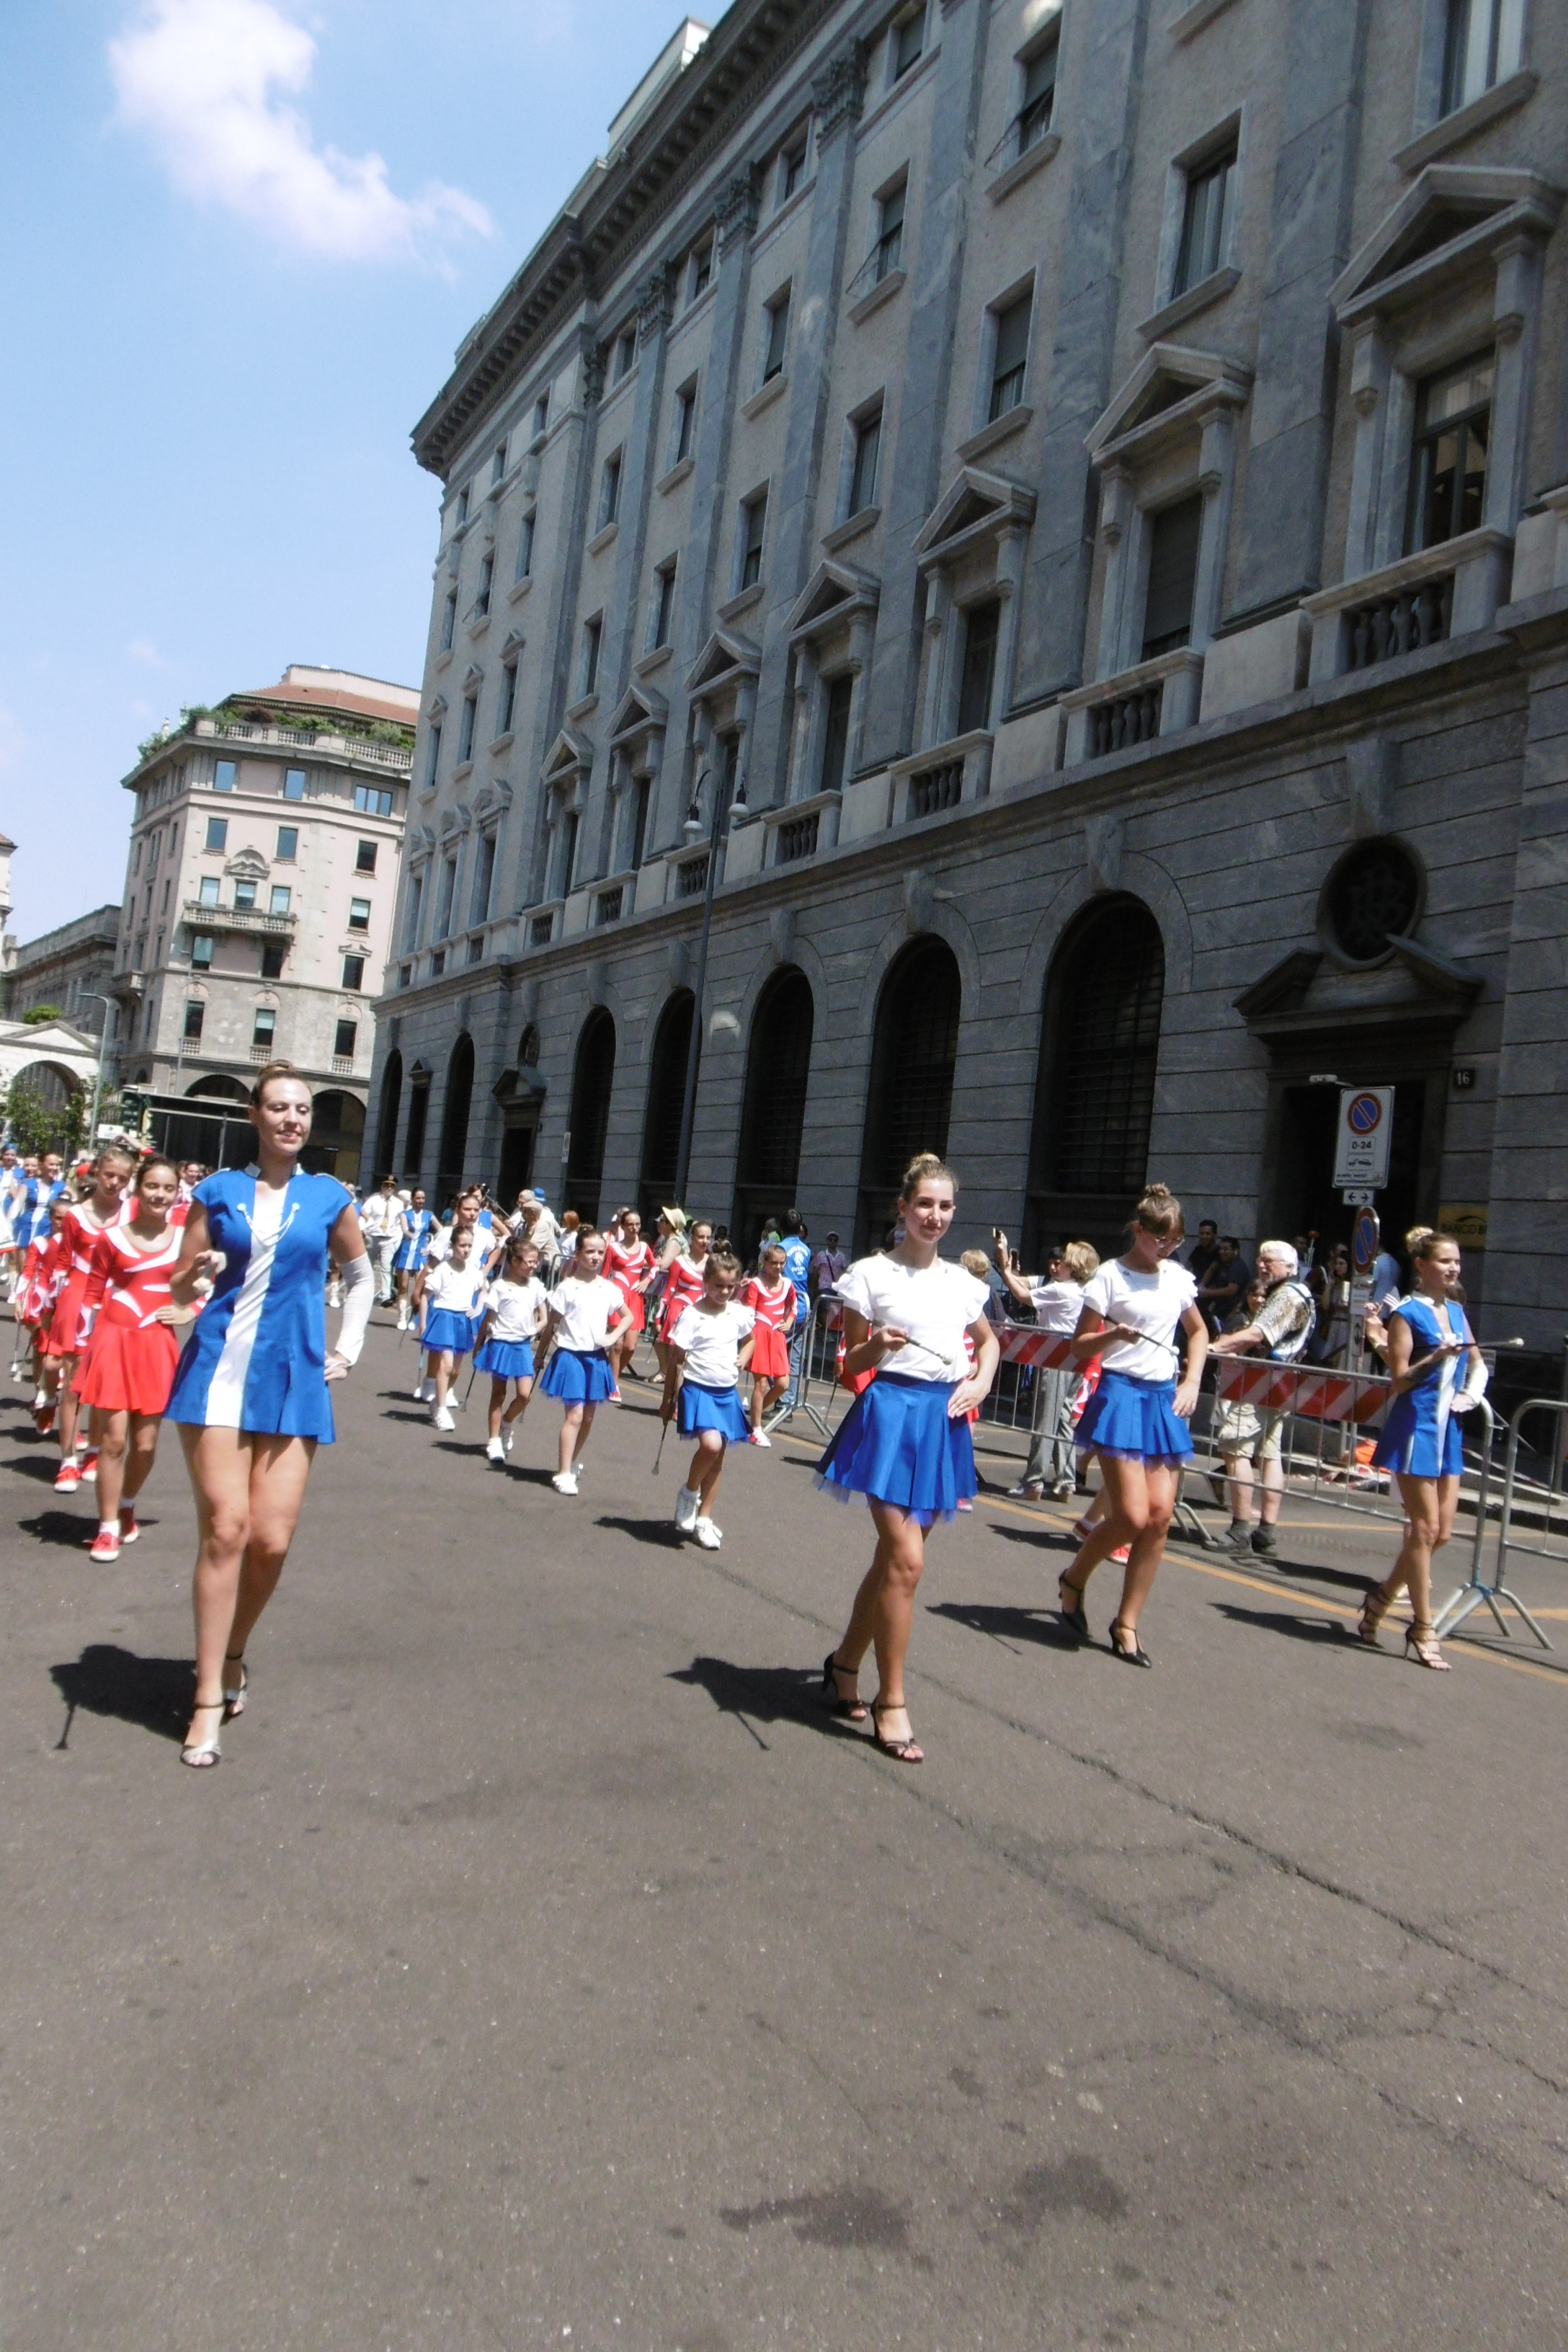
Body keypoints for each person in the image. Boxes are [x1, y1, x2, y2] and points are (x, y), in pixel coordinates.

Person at [164, 1062, 373, 1768]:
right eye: (278, 1107)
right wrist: (190, 1284)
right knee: (227, 1528)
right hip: (219, 1370)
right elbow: (183, 1273)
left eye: (303, 1109)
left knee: (271, 1541)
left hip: (294, 1376)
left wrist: (349, 1345)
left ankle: (233, 1651)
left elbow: (360, 1272)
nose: (292, 1119)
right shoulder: (217, 1191)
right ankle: (204, 1700)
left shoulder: (328, 1196)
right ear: (253, 1116)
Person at [816, 1153, 999, 1764]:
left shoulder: (963, 1283)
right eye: (925, 1204)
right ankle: (892, 1700)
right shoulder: (869, 1275)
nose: (936, 1216)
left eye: (946, 1206)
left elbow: (990, 1343)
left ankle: (844, 1664)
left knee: (893, 1564)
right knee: (908, 1561)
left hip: (943, 1422)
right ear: (903, 1208)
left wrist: (981, 1383)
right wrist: (875, 1345)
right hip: (890, 1418)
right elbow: (849, 1367)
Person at [1057, 1183, 1208, 1667]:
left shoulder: (1178, 1279)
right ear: (1138, 1231)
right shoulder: (1109, 1277)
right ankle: (1075, 1578)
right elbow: (1079, 1345)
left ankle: (1127, 1622)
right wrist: (1111, 1336)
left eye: (1174, 1242)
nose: (1166, 1248)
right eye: (1159, 1239)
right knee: (1130, 1516)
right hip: (1121, 1393)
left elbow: (1200, 1332)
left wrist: (1192, 1382)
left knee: (1160, 1516)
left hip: (1163, 1398)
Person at [1356, 1228, 1486, 1670]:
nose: (1453, 1268)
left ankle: (1380, 1599)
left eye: (1457, 1262)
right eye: (1445, 1261)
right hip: (1415, 1427)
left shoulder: (1455, 1310)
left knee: (1442, 1533)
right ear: (1422, 1265)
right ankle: (1422, 1628)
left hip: (1447, 1426)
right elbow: (1399, 1379)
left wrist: (1470, 1395)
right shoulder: (1406, 1314)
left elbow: (1478, 1363)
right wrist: (1434, 1359)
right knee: (1423, 1528)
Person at [71, 1155, 189, 1562]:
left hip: (157, 1345)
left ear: (177, 1193)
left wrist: (190, 1311)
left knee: (145, 1442)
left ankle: (127, 1504)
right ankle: (106, 1528)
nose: (159, 1194)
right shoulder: (113, 1238)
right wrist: (82, 1343)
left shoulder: (185, 1239)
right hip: (113, 1343)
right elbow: (91, 1291)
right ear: (138, 1190)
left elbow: (206, 1286)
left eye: (168, 1188)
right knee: (114, 1440)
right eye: (152, 1186)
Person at [1208, 1239, 1316, 1556]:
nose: (1261, 1265)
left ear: (1289, 1266)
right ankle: (1265, 1533)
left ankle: (1241, 1528)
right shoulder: (1297, 1292)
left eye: (1269, 1261)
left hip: (1260, 1382)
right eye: (1259, 1260)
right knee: (1269, 1455)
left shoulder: (1286, 1295)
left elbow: (1258, 1335)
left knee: (1235, 1447)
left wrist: (1212, 1348)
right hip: (1279, 1383)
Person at [43, 1145, 138, 1492]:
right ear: (97, 1172)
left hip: (116, 1301)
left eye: (122, 1178)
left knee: (104, 1386)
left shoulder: (131, 1213)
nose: (114, 1183)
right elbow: (64, 1263)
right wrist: (51, 1310)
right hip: (78, 1300)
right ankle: (68, 1460)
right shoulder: (76, 1216)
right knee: (72, 1385)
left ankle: (95, 1452)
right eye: (109, 1175)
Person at [992, 1234, 1101, 1500]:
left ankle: (1034, 1481)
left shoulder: (1061, 1289)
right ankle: (1066, 1480)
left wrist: (1005, 1270)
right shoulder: (1082, 1290)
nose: (1057, 1264)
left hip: (1055, 1360)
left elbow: (1022, 1295)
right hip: (1075, 1360)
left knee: (1045, 1420)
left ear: (1072, 1266)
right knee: (1064, 1421)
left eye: (1063, 1260)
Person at [663, 1247, 757, 1548]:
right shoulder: (692, 1315)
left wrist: (744, 1356)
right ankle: (689, 1492)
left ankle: (704, 1520)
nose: (725, 1292)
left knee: (717, 1461)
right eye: (718, 1285)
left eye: (731, 1286)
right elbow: (676, 1359)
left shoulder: (738, 1313)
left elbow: (751, 1339)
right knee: (711, 1445)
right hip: (698, 1388)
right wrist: (668, 1399)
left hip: (725, 1391)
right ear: (706, 1281)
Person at [538, 1229, 631, 1495]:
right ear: (578, 1253)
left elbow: (628, 1317)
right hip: (570, 1356)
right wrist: (540, 1354)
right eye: (590, 1252)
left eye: (601, 1252)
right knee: (575, 1415)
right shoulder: (567, 1287)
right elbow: (552, 1325)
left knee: (588, 1417)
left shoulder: (608, 1288)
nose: (596, 1257)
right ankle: (564, 1472)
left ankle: (572, 1460)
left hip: (596, 1358)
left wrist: (613, 1335)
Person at [474, 1235, 548, 1462]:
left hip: (522, 1345)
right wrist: (478, 1346)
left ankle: (507, 1421)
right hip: (500, 1345)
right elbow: (488, 1320)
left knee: (525, 1395)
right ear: (514, 1262)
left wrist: (533, 1329)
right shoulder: (500, 1287)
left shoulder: (535, 1286)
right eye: (530, 1261)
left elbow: (544, 1318)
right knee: (499, 1393)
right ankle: (494, 1440)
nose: (534, 1266)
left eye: (537, 1262)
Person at [411, 1224, 486, 1432]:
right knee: (446, 1364)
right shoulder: (444, 1268)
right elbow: (426, 1296)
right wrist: (424, 1323)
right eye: (462, 1245)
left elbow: (483, 1290)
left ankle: (438, 1401)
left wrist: (478, 1309)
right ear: (453, 1245)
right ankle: (442, 1410)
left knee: (455, 1369)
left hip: (462, 1320)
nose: (466, 1250)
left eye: (470, 1246)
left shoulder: (473, 1271)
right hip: (444, 1318)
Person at [740, 1242, 795, 1443]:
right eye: (774, 1263)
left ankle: (755, 1411)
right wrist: (748, 1337)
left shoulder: (788, 1284)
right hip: (759, 1335)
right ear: (765, 1263)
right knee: (761, 1384)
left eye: (782, 1263)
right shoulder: (756, 1284)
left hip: (777, 1337)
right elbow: (749, 1311)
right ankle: (756, 1429)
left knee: (783, 1384)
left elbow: (794, 1306)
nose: (778, 1267)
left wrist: (788, 1322)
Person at [603, 1208, 656, 1387]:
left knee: (630, 1347)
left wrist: (646, 1281)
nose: (634, 1228)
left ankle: (610, 1374)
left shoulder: (645, 1248)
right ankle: (613, 1384)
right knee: (617, 1344)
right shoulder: (613, 1248)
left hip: (635, 1298)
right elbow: (603, 1276)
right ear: (623, 1227)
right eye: (630, 1225)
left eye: (637, 1224)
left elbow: (654, 1267)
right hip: (617, 1297)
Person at [777, 1210, 811, 1409]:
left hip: (785, 1306)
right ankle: (788, 1401)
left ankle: (781, 1398)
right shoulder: (806, 1250)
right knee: (795, 1357)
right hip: (803, 1305)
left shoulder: (779, 1249)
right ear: (800, 1228)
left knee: (776, 1354)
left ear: (781, 1228)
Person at [357, 1172, 403, 1305]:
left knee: (386, 1268)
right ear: (382, 1187)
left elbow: (400, 1221)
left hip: (388, 1238)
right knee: (368, 1266)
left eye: (392, 1186)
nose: (389, 1188)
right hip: (373, 1237)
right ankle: (364, 1292)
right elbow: (363, 1211)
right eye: (387, 1185)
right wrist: (368, 1222)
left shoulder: (398, 1203)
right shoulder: (374, 1200)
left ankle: (385, 1295)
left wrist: (397, 1238)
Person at [393, 1188, 435, 1329]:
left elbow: (441, 1230)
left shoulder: (429, 1215)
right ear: (412, 1199)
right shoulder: (405, 1214)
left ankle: (413, 1318)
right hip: (405, 1253)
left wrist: (431, 1247)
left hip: (420, 1255)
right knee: (403, 1286)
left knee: (420, 1288)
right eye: (418, 1198)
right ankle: (402, 1318)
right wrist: (413, 1237)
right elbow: (405, 1230)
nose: (420, 1201)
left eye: (423, 1198)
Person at [1195, 1234, 1249, 1333]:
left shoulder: (1238, 1267)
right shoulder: (1223, 1264)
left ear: (1236, 1251)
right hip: (1218, 1308)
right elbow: (1211, 1270)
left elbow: (1231, 1290)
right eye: (1220, 1249)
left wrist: (1208, 1293)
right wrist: (1202, 1285)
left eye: (1226, 1249)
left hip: (1231, 1311)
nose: (1222, 1252)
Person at [808, 1230, 847, 1301]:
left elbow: (846, 1272)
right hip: (824, 1286)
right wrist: (812, 1288)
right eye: (830, 1240)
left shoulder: (841, 1256)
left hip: (837, 1287)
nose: (832, 1242)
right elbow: (815, 1272)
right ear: (827, 1241)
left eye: (835, 1240)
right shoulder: (821, 1255)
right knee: (826, 1307)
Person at [1185, 1219, 1221, 1293]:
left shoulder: (1219, 1252)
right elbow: (1187, 1266)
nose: (1204, 1236)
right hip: (1197, 1289)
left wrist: (1201, 1286)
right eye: (1202, 1234)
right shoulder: (1198, 1250)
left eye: (1208, 1234)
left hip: (1212, 1291)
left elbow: (1211, 1270)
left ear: (1215, 1236)